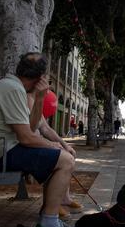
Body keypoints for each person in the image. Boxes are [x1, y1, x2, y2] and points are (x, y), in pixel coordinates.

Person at [0, 53, 76, 227]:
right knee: (65, 160)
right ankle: (49, 225)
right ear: (41, 77)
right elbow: (27, 138)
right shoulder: (13, 90)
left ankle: (49, 218)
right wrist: (54, 146)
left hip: (1, 148)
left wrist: (40, 98)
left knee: (58, 157)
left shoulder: (15, 87)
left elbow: (32, 126)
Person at [27, 92, 83, 220]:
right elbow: (28, 134)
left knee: (66, 153)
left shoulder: (34, 99)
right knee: (59, 158)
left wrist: (64, 144)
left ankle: (64, 198)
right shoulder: (27, 97)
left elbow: (46, 129)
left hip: (34, 143)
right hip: (28, 145)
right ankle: (51, 205)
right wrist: (51, 145)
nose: (47, 86)